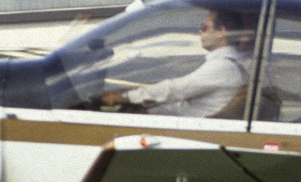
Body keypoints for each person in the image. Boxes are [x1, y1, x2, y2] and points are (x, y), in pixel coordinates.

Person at [101, 9, 252, 117]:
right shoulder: (232, 65)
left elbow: (176, 89)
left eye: (204, 27)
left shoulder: (222, 67)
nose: (200, 32)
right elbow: (185, 102)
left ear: (222, 32)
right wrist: (149, 110)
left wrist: (125, 97)